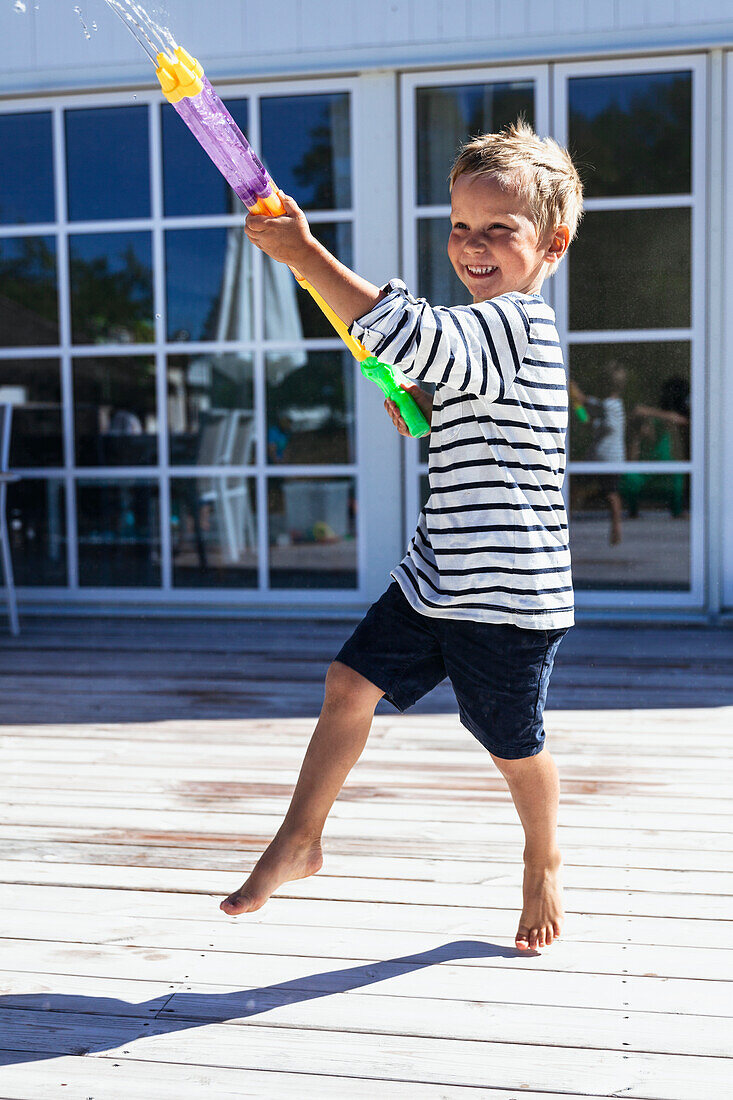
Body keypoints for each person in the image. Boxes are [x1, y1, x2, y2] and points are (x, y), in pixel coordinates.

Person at [220, 120, 584, 951]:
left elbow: (416, 332)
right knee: (349, 683)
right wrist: (425, 405)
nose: (473, 245)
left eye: (500, 229)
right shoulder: (483, 329)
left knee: (509, 741)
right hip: (437, 574)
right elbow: (445, 373)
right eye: (460, 227)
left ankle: (542, 858)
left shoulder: (518, 324)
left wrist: (308, 258)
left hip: (504, 595)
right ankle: (301, 839)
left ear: (551, 244)